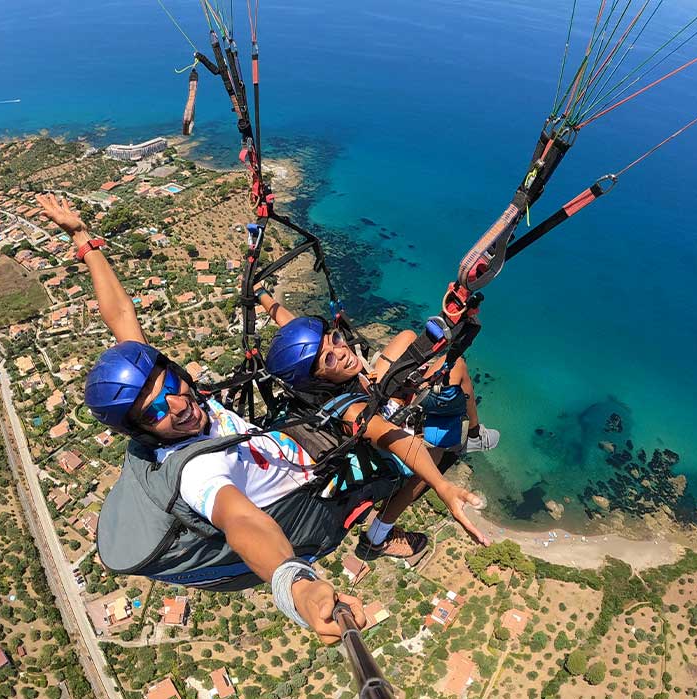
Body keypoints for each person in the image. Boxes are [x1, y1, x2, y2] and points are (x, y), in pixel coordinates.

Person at [34, 194, 488, 644]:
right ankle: (381, 534)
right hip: (320, 482)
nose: (175, 404)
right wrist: (298, 586)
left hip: (288, 434)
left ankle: (454, 436)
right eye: (156, 410)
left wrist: (84, 241)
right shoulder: (197, 472)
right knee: (429, 458)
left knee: (412, 344)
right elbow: (243, 523)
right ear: (142, 428)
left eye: (171, 385)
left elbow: (122, 321)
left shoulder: (189, 405)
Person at [256, 288, 501, 561]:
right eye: (329, 359)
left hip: (372, 395)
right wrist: (443, 486)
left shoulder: (322, 379)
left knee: (408, 338)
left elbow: (290, 325)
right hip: (381, 448)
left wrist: (263, 296)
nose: (342, 351)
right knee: (442, 424)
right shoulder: (351, 411)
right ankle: (378, 535)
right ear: (317, 378)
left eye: (335, 339)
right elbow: (391, 437)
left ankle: (473, 433)